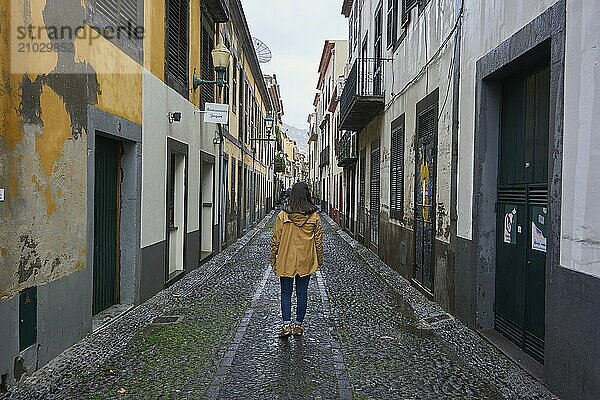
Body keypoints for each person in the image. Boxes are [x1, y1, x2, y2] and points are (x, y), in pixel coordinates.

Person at [269, 181, 323, 338]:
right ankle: (298, 326)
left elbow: (276, 239)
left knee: (285, 293)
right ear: (307, 195)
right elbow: (319, 241)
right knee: (302, 293)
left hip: (286, 258)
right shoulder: (314, 216)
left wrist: (273, 257)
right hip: (306, 259)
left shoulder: (282, 215)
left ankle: (286, 325)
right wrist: (319, 259)